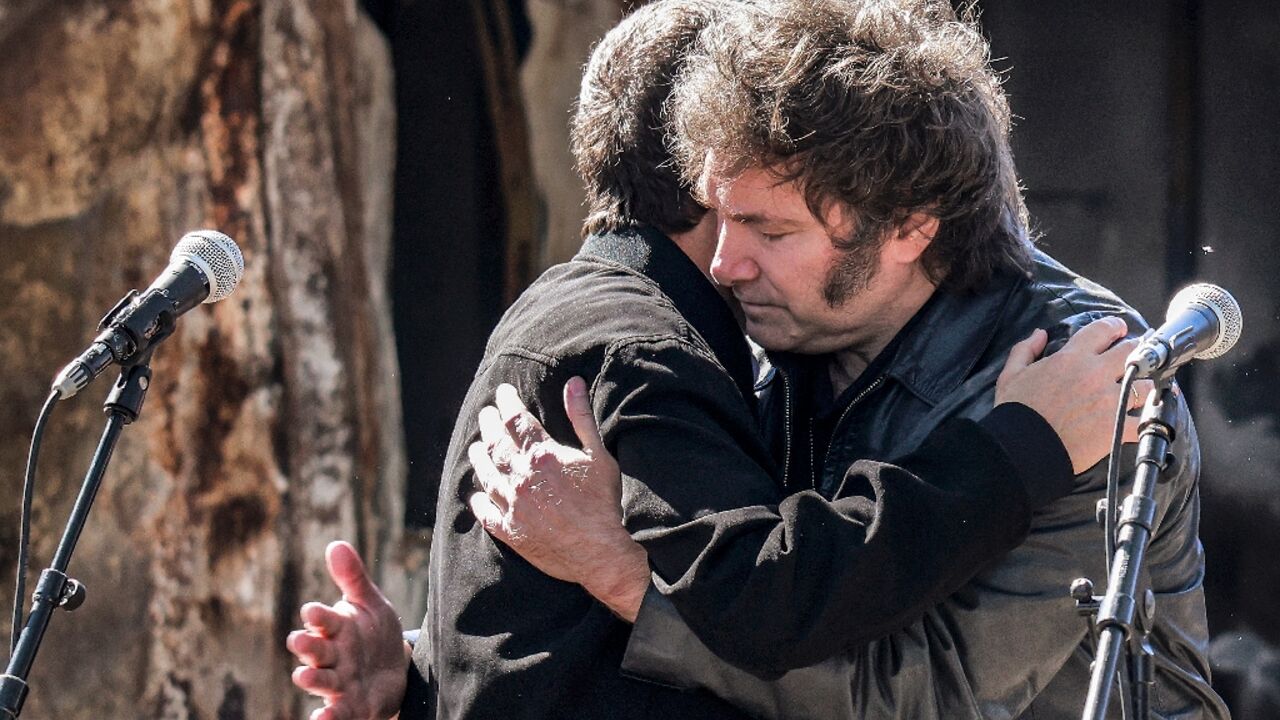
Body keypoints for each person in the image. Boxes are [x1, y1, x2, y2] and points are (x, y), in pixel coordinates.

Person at [287, 2, 1151, 719]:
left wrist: (426, 668)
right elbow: (765, 593)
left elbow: (926, 687)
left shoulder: (1080, 370)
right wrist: (1014, 452)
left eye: (770, 228)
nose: (737, 261)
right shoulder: (651, 347)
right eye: (729, 215)